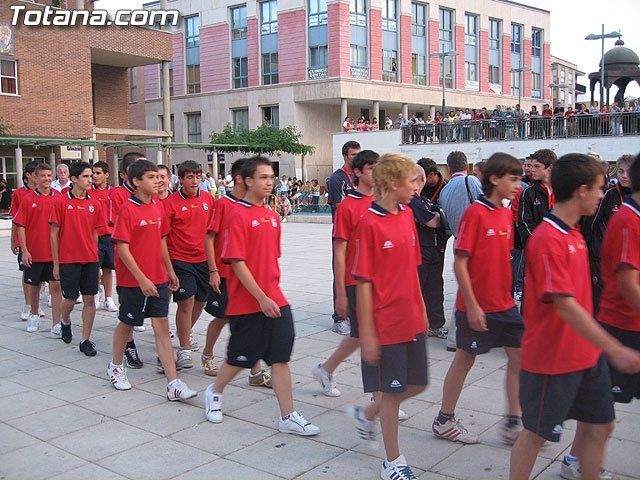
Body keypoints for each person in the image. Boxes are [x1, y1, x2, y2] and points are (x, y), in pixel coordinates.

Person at [509, 153, 640, 480]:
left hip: (585, 357)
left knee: (601, 426)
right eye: (598, 188)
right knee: (536, 435)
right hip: (551, 361)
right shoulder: (548, 238)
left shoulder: (573, 234)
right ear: (581, 190)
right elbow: (565, 305)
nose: (602, 194)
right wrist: (613, 347)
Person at [203, 156, 320, 437]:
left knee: (280, 357)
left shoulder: (271, 216)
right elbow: (238, 263)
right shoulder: (237, 215)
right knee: (240, 358)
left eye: (272, 177)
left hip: (275, 298)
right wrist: (260, 298)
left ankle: (288, 415)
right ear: (247, 180)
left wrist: (271, 295)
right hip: (248, 302)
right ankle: (214, 391)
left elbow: (269, 260)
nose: (269, 182)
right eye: (263, 177)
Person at [432, 153, 524, 445]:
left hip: (505, 305)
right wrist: (472, 306)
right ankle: (444, 420)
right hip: (476, 305)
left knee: (519, 359)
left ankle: (513, 420)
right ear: (495, 179)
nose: (518, 185)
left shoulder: (505, 213)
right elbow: (460, 262)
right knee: (464, 359)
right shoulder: (476, 213)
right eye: (513, 178)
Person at [353, 153, 428, 480]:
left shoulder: (408, 214)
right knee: (393, 393)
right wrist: (368, 333)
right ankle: (393, 462)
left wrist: (422, 308)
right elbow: (365, 283)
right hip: (385, 324)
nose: (417, 186)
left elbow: (412, 268)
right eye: (412, 180)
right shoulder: (369, 222)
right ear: (393, 183)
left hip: (410, 316)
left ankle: (366, 413)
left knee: (419, 383)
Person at [107, 159, 198, 402]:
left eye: (159, 176)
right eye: (151, 177)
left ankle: (173, 383)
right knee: (126, 324)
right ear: (136, 182)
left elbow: (161, 241)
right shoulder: (128, 208)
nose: (158, 180)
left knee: (161, 328)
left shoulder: (158, 206)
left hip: (157, 277)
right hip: (133, 281)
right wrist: (141, 278)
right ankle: (116, 366)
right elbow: (123, 249)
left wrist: (169, 271)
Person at [313, 150, 379, 398]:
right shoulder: (348, 207)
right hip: (356, 281)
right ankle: (380, 397)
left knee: (362, 335)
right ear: (358, 172)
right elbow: (339, 251)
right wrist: (340, 291)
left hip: (379, 281)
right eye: (370, 168)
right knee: (370, 336)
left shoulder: (383, 202)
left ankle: (326, 368)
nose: (376, 172)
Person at [201, 158, 272, 386]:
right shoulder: (223, 204)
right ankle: (208, 354)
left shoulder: (256, 207)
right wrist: (212, 270)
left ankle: (255, 372)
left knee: (252, 320)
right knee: (222, 317)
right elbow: (210, 237)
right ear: (242, 179)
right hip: (224, 272)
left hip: (248, 276)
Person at [163, 161, 215, 369]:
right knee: (186, 300)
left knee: (201, 301)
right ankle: (184, 348)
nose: (194, 180)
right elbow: (163, 238)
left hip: (203, 259)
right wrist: (168, 268)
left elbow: (213, 233)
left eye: (197, 176)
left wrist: (215, 266)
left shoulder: (208, 200)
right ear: (181, 179)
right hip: (180, 259)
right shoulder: (171, 203)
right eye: (190, 177)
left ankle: (185, 331)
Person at [49, 161, 103, 356]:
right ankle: (64, 321)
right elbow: (54, 233)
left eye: (92, 176)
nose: (91, 179)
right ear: (74, 179)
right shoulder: (61, 202)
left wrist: (96, 259)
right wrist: (56, 263)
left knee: (90, 299)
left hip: (90, 259)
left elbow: (96, 233)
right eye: (86, 176)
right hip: (69, 259)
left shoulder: (94, 203)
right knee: (70, 299)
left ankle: (85, 339)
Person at [439, 151, 483, 351]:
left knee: (467, 288)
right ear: (468, 165)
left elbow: (446, 221)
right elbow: (483, 205)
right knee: (469, 290)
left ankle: (462, 335)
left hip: (458, 240)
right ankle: (458, 336)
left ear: (449, 168)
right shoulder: (471, 182)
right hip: (476, 242)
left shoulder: (444, 191)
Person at [13, 163, 62, 334]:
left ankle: (57, 323)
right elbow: (21, 226)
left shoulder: (59, 197)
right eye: (43, 176)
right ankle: (33, 315)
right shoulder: (28, 199)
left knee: (56, 286)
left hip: (54, 253)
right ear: (35, 177)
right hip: (35, 252)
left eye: (49, 175)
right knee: (34, 288)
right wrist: (24, 250)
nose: (47, 179)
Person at [581, 154, 633, 313]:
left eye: (628, 172)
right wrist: (588, 252)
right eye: (621, 171)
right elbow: (590, 224)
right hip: (601, 258)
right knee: (601, 301)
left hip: (629, 258)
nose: (624, 176)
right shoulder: (608, 195)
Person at [108, 152, 145, 366]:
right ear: (128, 175)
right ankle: (128, 345)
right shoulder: (119, 196)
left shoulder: (153, 195)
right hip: (128, 261)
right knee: (128, 307)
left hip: (150, 260)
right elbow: (119, 231)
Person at [409, 162, 447, 339]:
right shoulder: (414, 201)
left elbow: (434, 216)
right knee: (421, 289)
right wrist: (438, 214)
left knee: (434, 287)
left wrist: (436, 213)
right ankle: (417, 324)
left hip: (434, 250)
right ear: (423, 178)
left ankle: (434, 324)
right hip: (422, 251)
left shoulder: (421, 200)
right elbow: (433, 221)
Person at [327, 140, 361, 334]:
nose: (356, 158)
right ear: (345, 156)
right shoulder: (337, 179)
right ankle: (339, 318)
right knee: (340, 272)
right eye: (353, 155)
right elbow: (341, 209)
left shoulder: (358, 177)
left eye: (359, 154)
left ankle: (354, 312)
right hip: (342, 234)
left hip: (358, 236)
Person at [11, 161, 40, 321]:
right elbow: (16, 220)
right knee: (27, 273)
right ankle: (28, 304)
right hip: (26, 241)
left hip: (41, 242)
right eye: (37, 174)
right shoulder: (19, 194)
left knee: (41, 276)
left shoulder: (48, 193)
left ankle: (36, 303)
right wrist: (13, 241)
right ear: (29, 175)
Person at [91, 161, 118, 313]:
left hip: (109, 236)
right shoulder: (89, 192)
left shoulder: (113, 193)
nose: (94, 176)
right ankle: (95, 294)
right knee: (95, 268)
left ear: (106, 175)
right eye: (93, 173)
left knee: (108, 268)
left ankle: (108, 298)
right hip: (94, 236)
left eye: (98, 173)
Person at [518, 149, 556, 249]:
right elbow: (525, 224)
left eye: (537, 166)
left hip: (559, 248)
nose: (532, 170)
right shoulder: (528, 192)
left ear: (550, 168)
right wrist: (539, 244)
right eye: (532, 166)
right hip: (538, 249)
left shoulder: (563, 190)